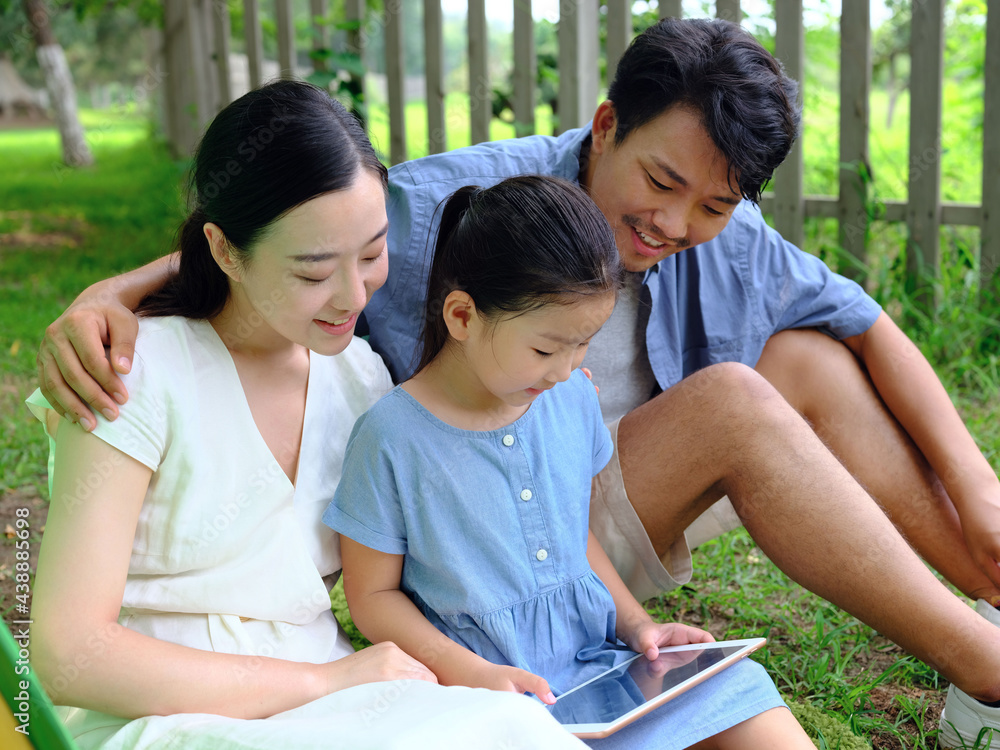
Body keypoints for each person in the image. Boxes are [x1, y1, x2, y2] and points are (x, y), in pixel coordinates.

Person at [32, 16, 1000, 742]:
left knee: (807, 357)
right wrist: (118, 295)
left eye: (711, 204)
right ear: (607, 124)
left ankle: (983, 608)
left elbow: (865, 319)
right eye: (660, 185)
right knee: (739, 403)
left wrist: (976, 488)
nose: (674, 223)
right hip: (468, 546)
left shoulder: (717, 231)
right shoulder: (461, 212)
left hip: (566, 517)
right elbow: (288, 228)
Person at [24, 80, 591, 750]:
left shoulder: (358, 378)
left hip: (342, 694)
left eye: (373, 253)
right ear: (226, 250)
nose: (353, 294)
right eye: (313, 272)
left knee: (517, 730)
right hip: (166, 716)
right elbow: (68, 656)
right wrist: (322, 684)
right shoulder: (134, 371)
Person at [324, 174, 815, 750]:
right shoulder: (391, 438)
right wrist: (475, 675)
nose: (565, 370)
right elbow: (371, 598)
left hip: (596, 670)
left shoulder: (568, 397)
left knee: (742, 689)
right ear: (462, 317)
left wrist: (638, 627)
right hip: (477, 696)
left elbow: (574, 537)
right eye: (544, 348)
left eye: (582, 344)